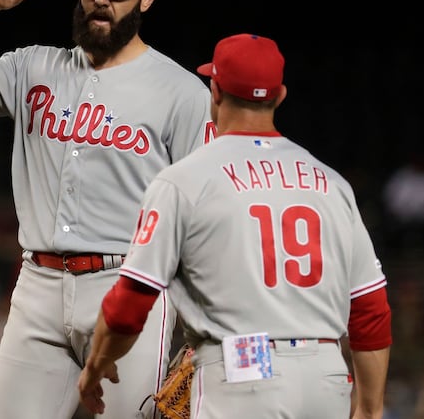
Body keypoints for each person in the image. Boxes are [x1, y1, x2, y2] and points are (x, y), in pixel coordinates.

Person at [0, 0, 214, 419]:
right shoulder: (33, 66)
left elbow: (203, 215)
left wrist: (202, 326)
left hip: (129, 287)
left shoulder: (182, 92)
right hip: (37, 284)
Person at [78, 33, 392, 418]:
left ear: (215, 91)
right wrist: (372, 409)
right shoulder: (331, 184)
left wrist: (95, 366)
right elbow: (370, 307)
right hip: (324, 376)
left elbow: (130, 303)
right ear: (280, 96)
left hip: (243, 367)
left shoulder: (184, 180)